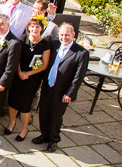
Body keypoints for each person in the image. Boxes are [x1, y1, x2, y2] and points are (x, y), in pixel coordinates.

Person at [34, 23, 88, 152]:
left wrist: (69, 93)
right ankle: (44, 135)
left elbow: (78, 77)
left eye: (67, 35)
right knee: (44, 112)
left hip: (62, 90)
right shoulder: (54, 45)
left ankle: (53, 139)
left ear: (73, 35)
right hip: (48, 85)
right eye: (62, 35)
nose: (64, 37)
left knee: (56, 115)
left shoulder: (81, 53)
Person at [6, 16, 51, 141]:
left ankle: (24, 128)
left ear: (41, 28)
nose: (34, 29)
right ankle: (12, 122)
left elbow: (44, 65)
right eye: (32, 26)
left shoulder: (45, 44)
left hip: (32, 78)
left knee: (25, 105)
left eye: (37, 27)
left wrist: (28, 74)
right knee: (13, 101)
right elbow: (17, 57)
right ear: (28, 28)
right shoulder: (22, 39)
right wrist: (20, 72)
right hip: (18, 74)